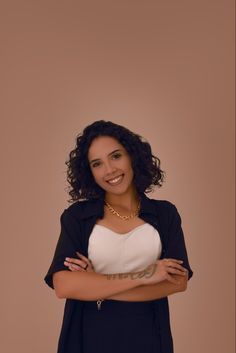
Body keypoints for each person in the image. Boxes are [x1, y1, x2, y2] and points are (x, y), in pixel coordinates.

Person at [44, 120, 193, 353]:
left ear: (132, 156)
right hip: (88, 338)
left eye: (115, 156)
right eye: (97, 164)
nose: (110, 170)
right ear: (89, 172)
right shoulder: (77, 217)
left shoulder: (164, 214)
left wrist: (96, 286)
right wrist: (145, 275)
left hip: (150, 337)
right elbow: (63, 285)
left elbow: (178, 281)